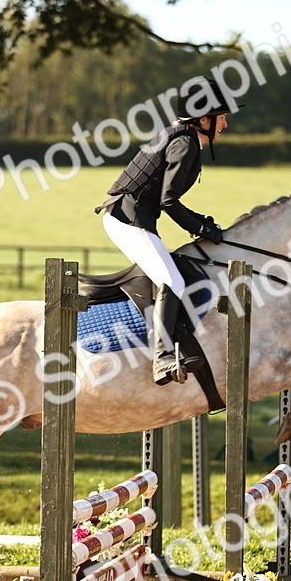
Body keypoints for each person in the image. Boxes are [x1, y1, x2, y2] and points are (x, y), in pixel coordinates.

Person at [96, 76, 233, 386]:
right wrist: (201, 227)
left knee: (172, 274)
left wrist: (201, 223)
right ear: (203, 118)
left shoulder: (180, 135)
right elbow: (168, 200)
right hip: (127, 219)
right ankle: (162, 358)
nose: (225, 124)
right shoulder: (185, 142)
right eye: (222, 116)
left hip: (131, 216)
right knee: (171, 280)